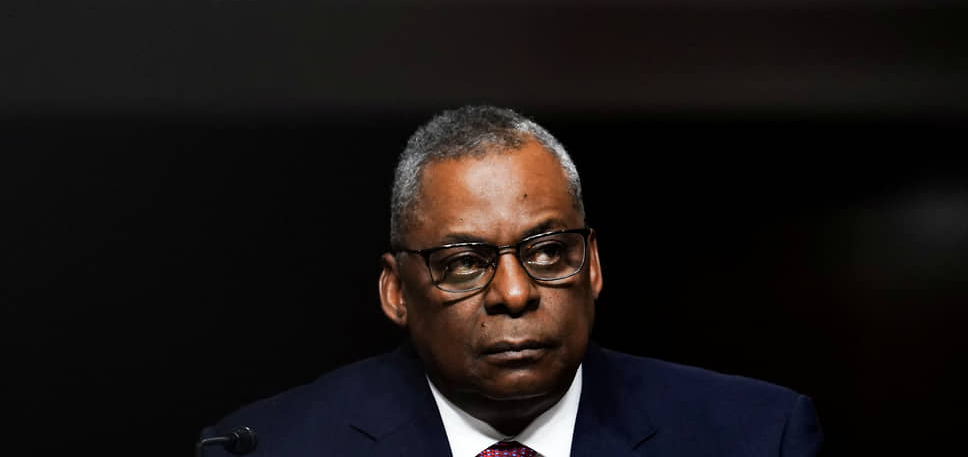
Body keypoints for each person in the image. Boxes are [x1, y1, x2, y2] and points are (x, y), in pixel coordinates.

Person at [201, 105, 823, 456]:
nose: (515, 294)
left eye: (548, 252)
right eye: (464, 263)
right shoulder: (271, 448)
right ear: (396, 292)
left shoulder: (758, 438)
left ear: (593, 266)